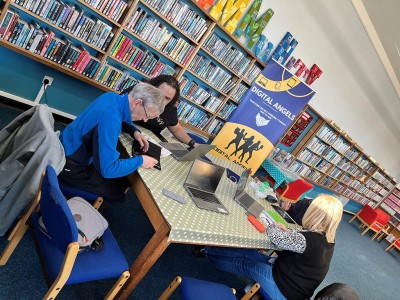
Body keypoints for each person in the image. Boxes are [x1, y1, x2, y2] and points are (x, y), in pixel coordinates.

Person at [204, 194, 343, 300]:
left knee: (245, 264)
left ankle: (209, 255)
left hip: (284, 290)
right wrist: (289, 231)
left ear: (313, 214)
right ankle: (212, 250)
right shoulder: (327, 238)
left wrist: (271, 224)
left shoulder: (307, 241)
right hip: (291, 281)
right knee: (251, 254)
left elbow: (274, 235)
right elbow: (304, 238)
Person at [58, 83, 165, 202]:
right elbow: (108, 169)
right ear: (137, 103)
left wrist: (134, 131)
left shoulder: (112, 97)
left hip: (64, 146)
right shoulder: (111, 120)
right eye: (147, 115)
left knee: (121, 179)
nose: (145, 120)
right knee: (118, 196)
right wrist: (141, 160)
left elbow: (119, 117)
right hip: (69, 167)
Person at [121, 75, 201, 148]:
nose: (162, 100)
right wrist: (133, 130)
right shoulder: (138, 92)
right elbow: (117, 112)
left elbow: (176, 129)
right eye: (160, 94)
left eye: (167, 98)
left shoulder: (170, 109)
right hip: (123, 132)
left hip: (148, 142)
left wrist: (193, 143)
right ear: (152, 88)